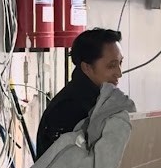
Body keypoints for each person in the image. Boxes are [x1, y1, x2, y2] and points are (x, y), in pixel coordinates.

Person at [35, 27, 124, 159]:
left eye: (120, 63)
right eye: (111, 65)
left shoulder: (99, 101)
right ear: (86, 67)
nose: (119, 73)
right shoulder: (68, 109)